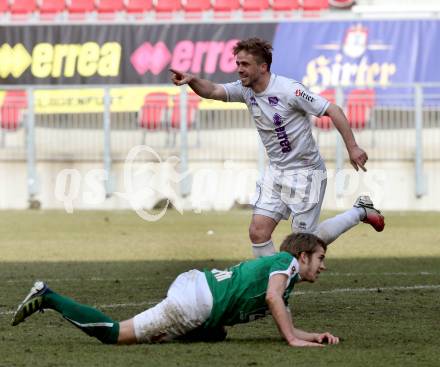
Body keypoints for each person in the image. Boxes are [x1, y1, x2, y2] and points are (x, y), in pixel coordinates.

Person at [170, 38, 374, 258]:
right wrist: (192, 80)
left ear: (263, 67)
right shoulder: (245, 90)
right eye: (238, 64)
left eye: (245, 64)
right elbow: (213, 91)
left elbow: (333, 110)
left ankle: (360, 211)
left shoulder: (290, 90)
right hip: (276, 171)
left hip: (306, 172)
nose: (239, 69)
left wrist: (352, 148)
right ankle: (271, 281)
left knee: (304, 244)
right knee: (258, 232)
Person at [13, 232, 340, 348]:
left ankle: (193, 332)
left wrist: (314, 335)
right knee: (115, 335)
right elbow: (272, 301)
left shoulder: (285, 280)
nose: (323, 266)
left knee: (216, 334)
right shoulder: (285, 261)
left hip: (198, 289)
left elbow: (282, 313)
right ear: (302, 256)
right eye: (320, 258)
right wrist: (294, 341)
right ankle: (49, 297)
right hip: (194, 303)